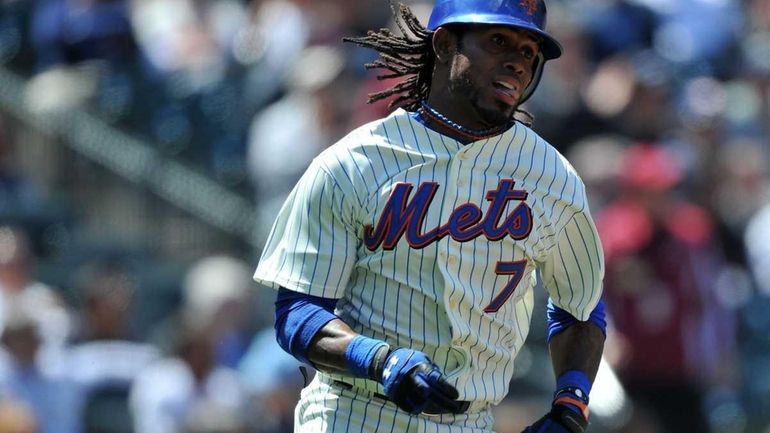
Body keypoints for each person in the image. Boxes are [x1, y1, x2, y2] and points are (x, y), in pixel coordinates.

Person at [253, 1, 607, 432]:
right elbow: (298, 313)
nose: (518, 62)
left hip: (471, 422)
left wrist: (572, 404)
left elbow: (581, 307)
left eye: (531, 52)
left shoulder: (553, 178)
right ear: (443, 43)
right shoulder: (354, 163)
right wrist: (378, 359)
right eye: (500, 41)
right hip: (353, 414)